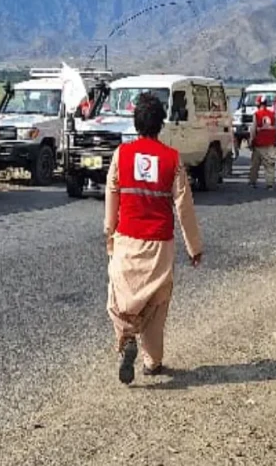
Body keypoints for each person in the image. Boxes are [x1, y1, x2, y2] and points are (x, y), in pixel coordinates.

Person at [104, 92, 203, 385]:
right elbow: (184, 205)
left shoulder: (121, 154)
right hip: (160, 244)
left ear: (136, 123)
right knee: (157, 303)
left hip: (127, 239)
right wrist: (194, 247)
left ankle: (126, 337)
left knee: (120, 297)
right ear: (161, 124)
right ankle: (152, 361)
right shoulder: (172, 159)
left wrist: (109, 233)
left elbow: (112, 194)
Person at [248, 96, 276, 191]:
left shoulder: (257, 114)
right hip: (270, 143)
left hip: (259, 143)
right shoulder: (272, 114)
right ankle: (270, 184)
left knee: (255, 165)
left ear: (258, 104)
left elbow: (253, 129)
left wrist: (251, 141)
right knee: (270, 165)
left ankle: (252, 182)